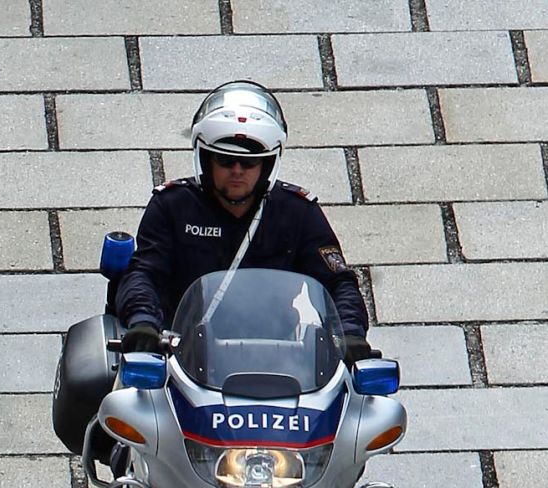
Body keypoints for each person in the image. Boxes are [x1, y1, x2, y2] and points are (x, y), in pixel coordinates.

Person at [115, 81, 371, 360]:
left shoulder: (297, 212)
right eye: (225, 160)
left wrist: (349, 332)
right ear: (206, 160)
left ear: (267, 165)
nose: (237, 171)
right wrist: (143, 322)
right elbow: (144, 273)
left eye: (249, 163)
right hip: (176, 354)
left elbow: (338, 283)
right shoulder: (172, 205)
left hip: (275, 357)